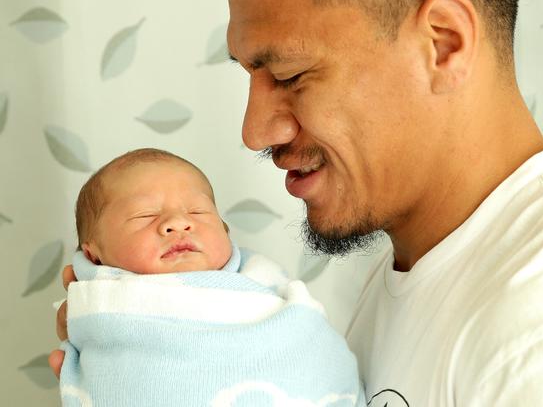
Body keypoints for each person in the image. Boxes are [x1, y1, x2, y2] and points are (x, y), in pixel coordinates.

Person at [52, 0, 543, 405]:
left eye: (289, 74)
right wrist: (159, 365)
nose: (254, 129)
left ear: (443, 43)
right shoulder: (424, 270)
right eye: (250, 75)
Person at [58, 148, 365, 407]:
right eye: (145, 215)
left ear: (225, 230)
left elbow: (305, 337)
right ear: (93, 255)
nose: (178, 222)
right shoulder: (104, 304)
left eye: (198, 211)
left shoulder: (261, 282)